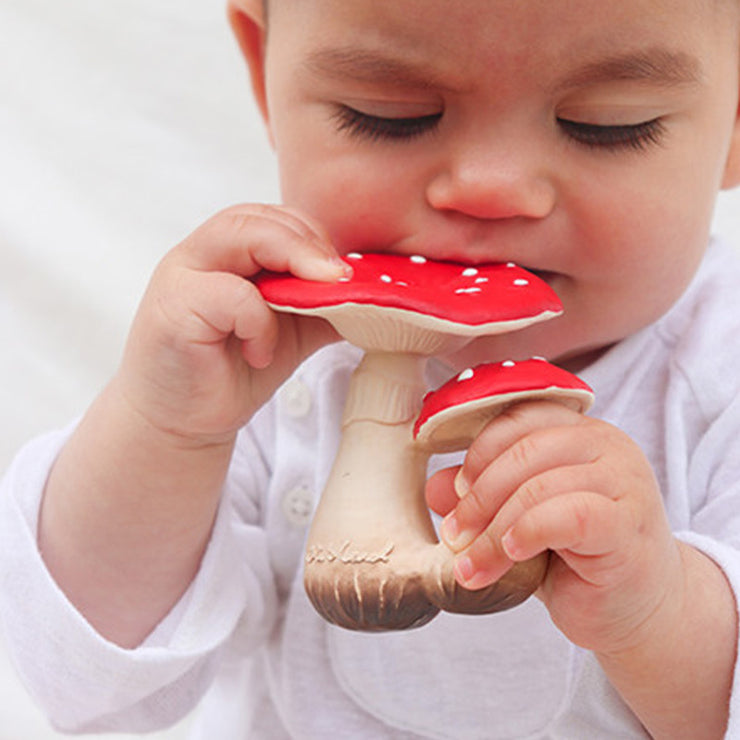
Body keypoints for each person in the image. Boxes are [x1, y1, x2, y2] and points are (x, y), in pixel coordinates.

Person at [2, 0, 740, 737]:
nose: (489, 188)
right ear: (264, 76)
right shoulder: (262, 353)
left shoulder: (723, 371)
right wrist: (165, 430)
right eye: (391, 114)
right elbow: (89, 680)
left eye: (608, 125)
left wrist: (657, 612)